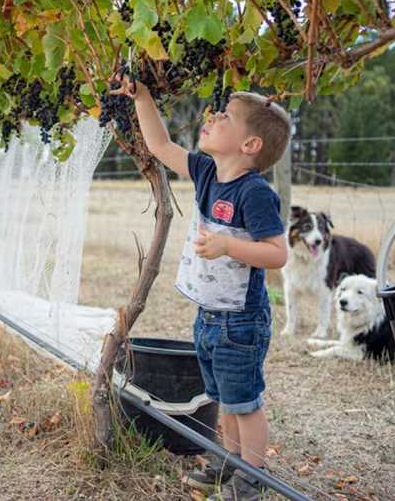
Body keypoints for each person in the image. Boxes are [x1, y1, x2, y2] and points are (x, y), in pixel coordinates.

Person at [109, 75, 290, 500]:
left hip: (240, 320)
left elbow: (277, 254)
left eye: (225, 117)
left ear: (250, 146)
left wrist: (230, 244)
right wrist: (143, 96)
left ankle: (251, 478)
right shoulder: (208, 171)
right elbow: (159, 146)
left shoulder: (255, 193)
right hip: (209, 316)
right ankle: (227, 461)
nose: (212, 117)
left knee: (244, 402)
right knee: (223, 399)